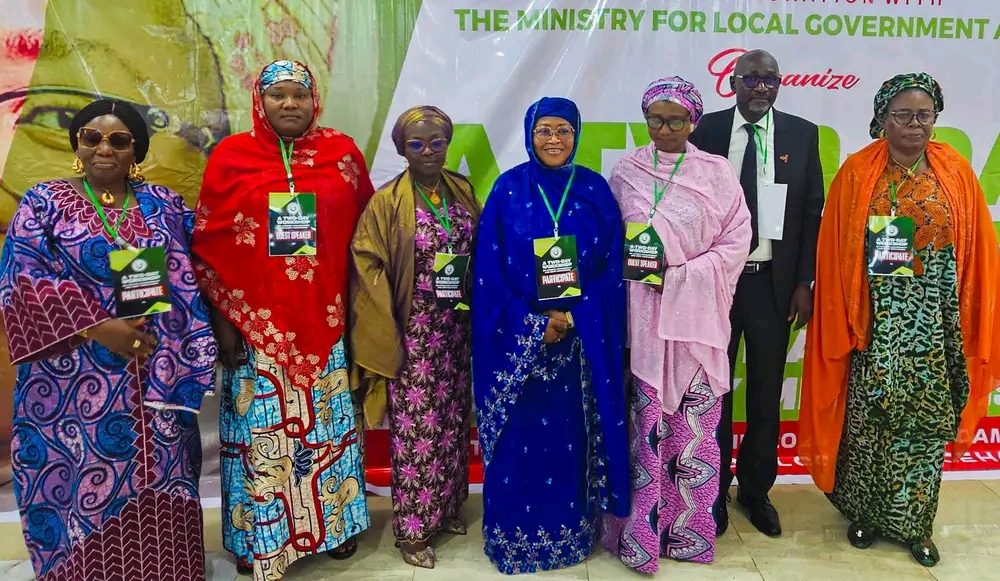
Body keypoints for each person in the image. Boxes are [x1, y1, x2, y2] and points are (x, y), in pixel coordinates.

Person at [0, 99, 217, 580]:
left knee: (163, 471)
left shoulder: (162, 203)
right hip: (73, 379)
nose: (105, 148)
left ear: (135, 149)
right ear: (77, 143)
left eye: (119, 140)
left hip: (155, 373)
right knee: (82, 474)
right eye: (92, 138)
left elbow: (205, 258)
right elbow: (20, 279)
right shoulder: (45, 202)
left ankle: (168, 570)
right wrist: (97, 326)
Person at [800, 73, 1000, 567]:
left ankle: (915, 523)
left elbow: (974, 247)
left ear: (936, 118)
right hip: (874, 316)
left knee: (926, 420)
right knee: (872, 417)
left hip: (936, 318)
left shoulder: (953, 169)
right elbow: (836, 251)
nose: (914, 124)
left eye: (924, 115)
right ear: (882, 118)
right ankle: (865, 512)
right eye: (903, 115)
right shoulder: (857, 171)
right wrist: (848, 311)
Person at [191, 60, 374, 580]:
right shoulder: (231, 157)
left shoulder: (342, 154)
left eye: (299, 95)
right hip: (256, 329)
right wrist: (225, 322)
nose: (289, 104)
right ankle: (259, 540)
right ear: (260, 101)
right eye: (278, 95)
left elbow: (367, 236)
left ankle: (333, 529)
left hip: (328, 318)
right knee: (262, 437)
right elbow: (207, 243)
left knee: (330, 431)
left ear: (314, 100)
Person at [472, 96, 629, 574]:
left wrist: (576, 316)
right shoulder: (507, 189)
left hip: (579, 347)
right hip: (520, 348)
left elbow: (612, 267)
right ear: (529, 134)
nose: (555, 140)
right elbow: (489, 275)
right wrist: (535, 324)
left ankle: (570, 537)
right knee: (520, 448)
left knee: (569, 444)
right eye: (544, 131)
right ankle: (512, 541)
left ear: (577, 134)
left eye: (563, 130)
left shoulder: (594, 190)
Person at [603, 77, 751, 572]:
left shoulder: (717, 173)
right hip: (642, 322)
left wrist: (682, 276)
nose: (664, 129)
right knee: (645, 431)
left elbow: (735, 243)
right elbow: (608, 243)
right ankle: (640, 539)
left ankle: (686, 537)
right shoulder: (625, 172)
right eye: (655, 119)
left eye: (676, 120)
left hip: (695, 328)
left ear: (694, 121)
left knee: (692, 435)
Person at [688, 48, 824, 537]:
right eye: (751, 79)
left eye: (770, 79)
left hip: (772, 284)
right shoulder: (705, 132)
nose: (761, 88)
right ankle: (712, 491)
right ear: (733, 81)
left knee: (766, 393)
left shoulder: (801, 134)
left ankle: (755, 490)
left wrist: (805, 282)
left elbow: (812, 212)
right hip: (716, 287)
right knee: (714, 394)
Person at [349, 105, 480, 569]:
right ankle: (413, 530)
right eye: (417, 144)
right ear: (402, 148)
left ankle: (446, 509)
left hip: (458, 329)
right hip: (414, 333)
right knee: (417, 432)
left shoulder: (460, 190)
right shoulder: (388, 202)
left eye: (437, 142)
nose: (428, 152)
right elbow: (367, 264)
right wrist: (389, 325)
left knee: (451, 424)